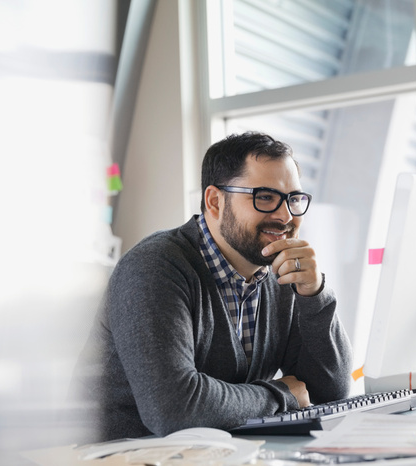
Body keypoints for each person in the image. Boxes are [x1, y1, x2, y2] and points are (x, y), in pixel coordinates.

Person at [75, 131, 353, 441]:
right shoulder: (155, 267)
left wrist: (314, 293)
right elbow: (174, 410)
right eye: (264, 197)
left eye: (293, 199)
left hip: (216, 456)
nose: (285, 215)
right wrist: (280, 396)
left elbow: (330, 392)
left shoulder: (280, 274)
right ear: (215, 201)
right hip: (116, 457)